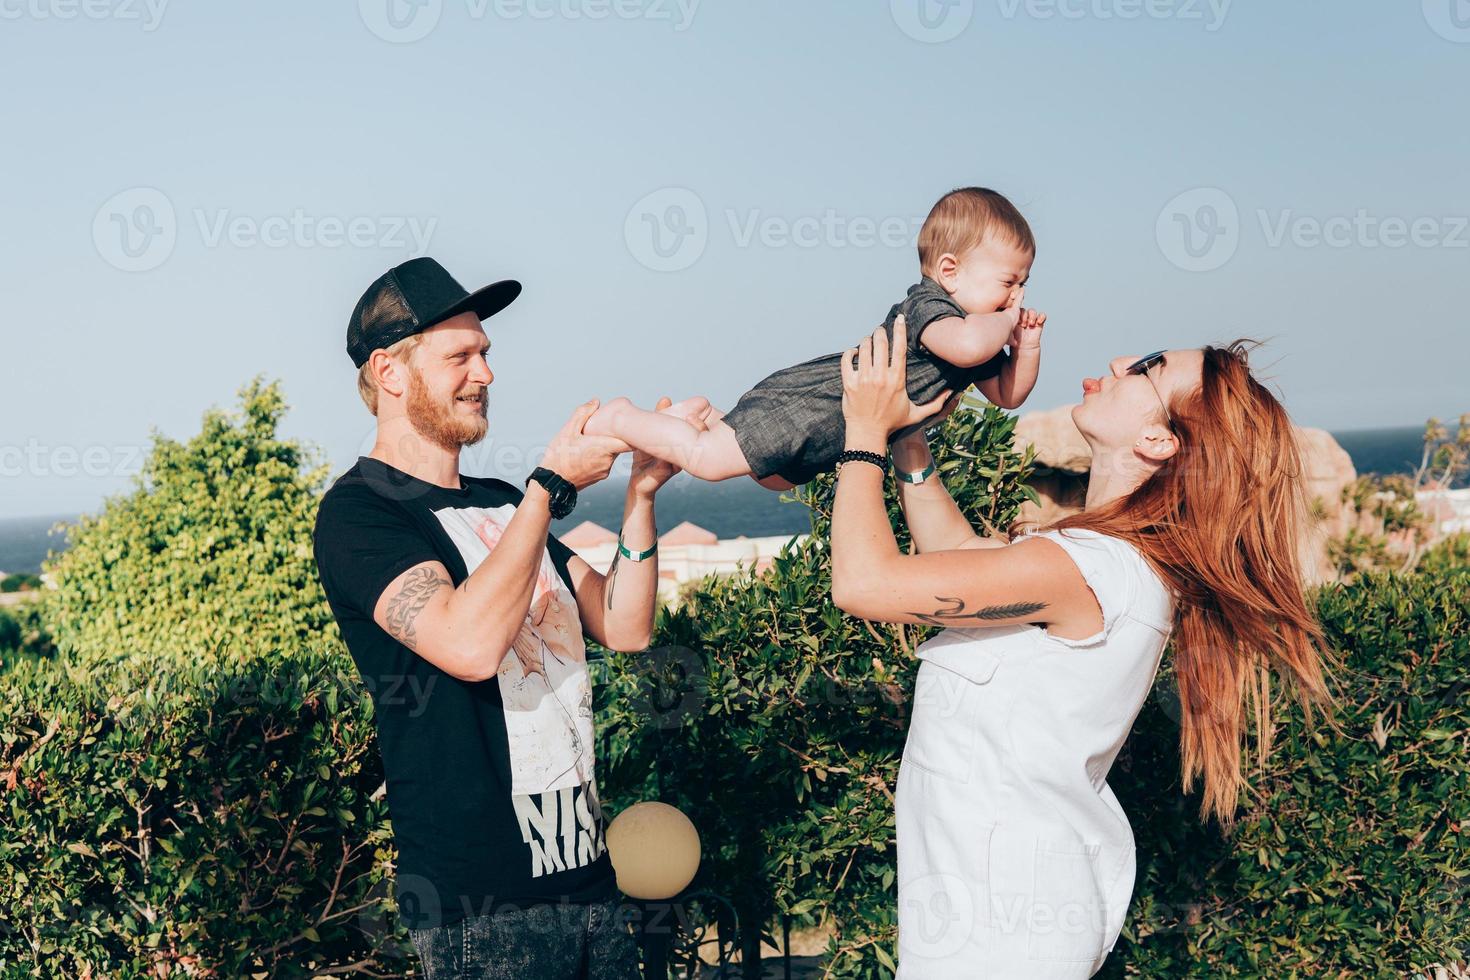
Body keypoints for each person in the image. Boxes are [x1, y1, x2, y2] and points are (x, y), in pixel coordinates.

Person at [828, 318, 1340, 978]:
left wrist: (863, 433)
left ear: (1160, 440)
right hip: (991, 925)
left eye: (1150, 367)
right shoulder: (1102, 563)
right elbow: (954, 557)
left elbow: (864, 583)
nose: (1124, 358)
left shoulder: (1091, 569)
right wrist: (910, 447)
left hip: (1001, 937)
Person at [312, 257, 696, 979]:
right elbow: (466, 643)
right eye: (459, 356)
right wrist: (548, 487)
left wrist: (641, 495)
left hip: (590, 879)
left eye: (485, 353)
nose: (485, 374)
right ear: (390, 372)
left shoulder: (498, 502)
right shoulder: (360, 514)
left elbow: (624, 625)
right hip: (483, 917)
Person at [581, 187, 1047, 489]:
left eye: (1022, 285)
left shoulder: (978, 331)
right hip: (813, 404)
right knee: (708, 462)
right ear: (950, 272)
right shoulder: (931, 308)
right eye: (1009, 283)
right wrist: (1008, 322)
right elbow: (967, 345)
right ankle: (621, 418)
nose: (1016, 297)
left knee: (774, 480)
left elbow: (1007, 395)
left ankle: (705, 416)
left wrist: (1026, 348)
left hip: (836, 433)